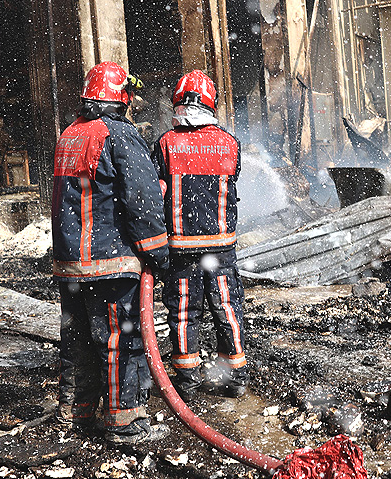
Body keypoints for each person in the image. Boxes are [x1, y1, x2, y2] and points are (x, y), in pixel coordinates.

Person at [51, 62, 170, 445]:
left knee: (78, 339)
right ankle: (126, 421)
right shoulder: (119, 135)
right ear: (122, 97)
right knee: (121, 341)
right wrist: (158, 253)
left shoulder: (70, 134)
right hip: (109, 262)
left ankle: (75, 412)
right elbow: (142, 200)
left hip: (71, 264)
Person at [151, 70, 249, 400]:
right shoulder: (229, 143)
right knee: (227, 308)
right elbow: (233, 176)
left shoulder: (165, 144)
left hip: (179, 250)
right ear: (211, 104)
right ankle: (233, 375)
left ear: (177, 103)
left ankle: (187, 380)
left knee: (183, 314)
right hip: (220, 249)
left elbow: (155, 190)